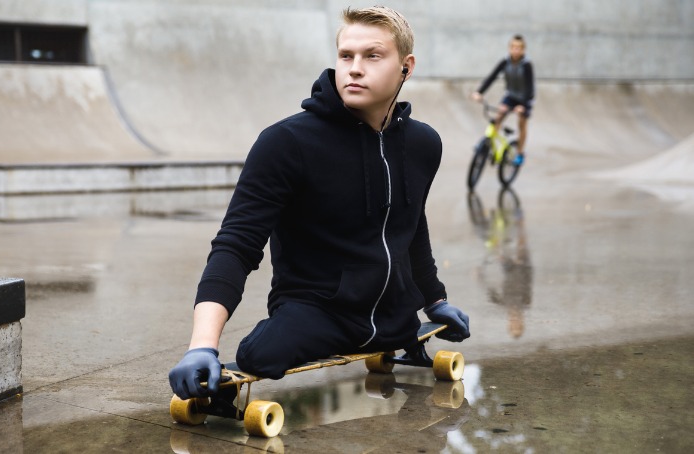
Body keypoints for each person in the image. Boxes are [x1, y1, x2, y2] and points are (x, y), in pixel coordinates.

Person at [169, 6, 470, 400]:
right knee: (260, 354)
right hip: (320, 314)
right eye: (346, 56)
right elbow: (236, 245)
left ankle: (400, 336)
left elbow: (412, 227)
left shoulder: (422, 144)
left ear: (406, 67)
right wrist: (201, 346)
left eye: (372, 56)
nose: (355, 68)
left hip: (397, 318)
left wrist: (434, 299)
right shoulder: (287, 143)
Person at [471, 34, 535, 166]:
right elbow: (492, 77)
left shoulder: (527, 65)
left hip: (525, 99)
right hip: (511, 96)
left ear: (523, 50)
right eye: (513, 47)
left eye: (519, 48)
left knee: (522, 123)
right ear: (509, 48)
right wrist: (479, 92)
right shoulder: (505, 62)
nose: (515, 50)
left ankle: (520, 153)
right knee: (499, 115)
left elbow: (530, 88)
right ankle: (488, 144)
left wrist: (522, 106)